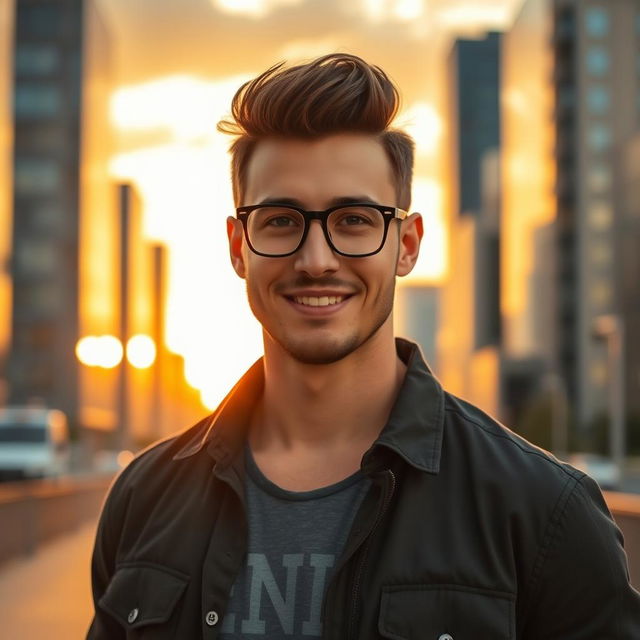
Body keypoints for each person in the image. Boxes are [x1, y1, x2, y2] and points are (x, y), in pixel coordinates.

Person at [87, 53, 640, 639]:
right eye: (280, 220)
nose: (316, 260)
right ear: (237, 245)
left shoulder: (541, 509)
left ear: (405, 243)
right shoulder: (143, 498)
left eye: (353, 219)